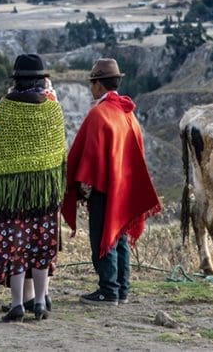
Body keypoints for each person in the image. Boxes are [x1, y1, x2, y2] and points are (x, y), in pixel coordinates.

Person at [62, 58, 162, 306]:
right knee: (121, 237)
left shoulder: (100, 114)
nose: (90, 88)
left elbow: (88, 155)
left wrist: (82, 184)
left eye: (91, 83)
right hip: (125, 186)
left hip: (105, 187)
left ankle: (108, 290)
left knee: (104, 237)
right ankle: (121, 289)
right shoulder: (127, 113)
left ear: (98, 85)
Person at [0, 53, 66, 322]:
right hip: (44, 195)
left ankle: (17, 304)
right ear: (41, 79)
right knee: (41, 248)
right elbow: (60, 154)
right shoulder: (52, 109)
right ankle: (39, 303)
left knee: (15, 247)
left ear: (16, 80)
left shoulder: (4, 108)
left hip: (11, 196)